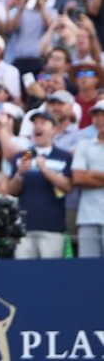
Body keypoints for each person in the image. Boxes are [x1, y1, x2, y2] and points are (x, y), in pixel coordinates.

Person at [8, 111, 73, 259]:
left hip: (52, 227)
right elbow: (11, 191)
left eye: (43, 123)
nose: (37, 126)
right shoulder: (20, 157)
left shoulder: (64, 156)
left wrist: (45, 170)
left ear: (54, 130)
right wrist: (19, 174)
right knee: (24, 271)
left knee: (51, 272)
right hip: (23, 228)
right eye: (35, 123)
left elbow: (68, 187)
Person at [72, 100, 104, 258]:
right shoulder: (83, 145)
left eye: (103, 115)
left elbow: (83, 175)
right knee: (88, 268)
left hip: (88, 216)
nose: (99, 120)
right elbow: (78, 177)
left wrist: (91, 173)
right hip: (87, 217)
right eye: (96, 115)